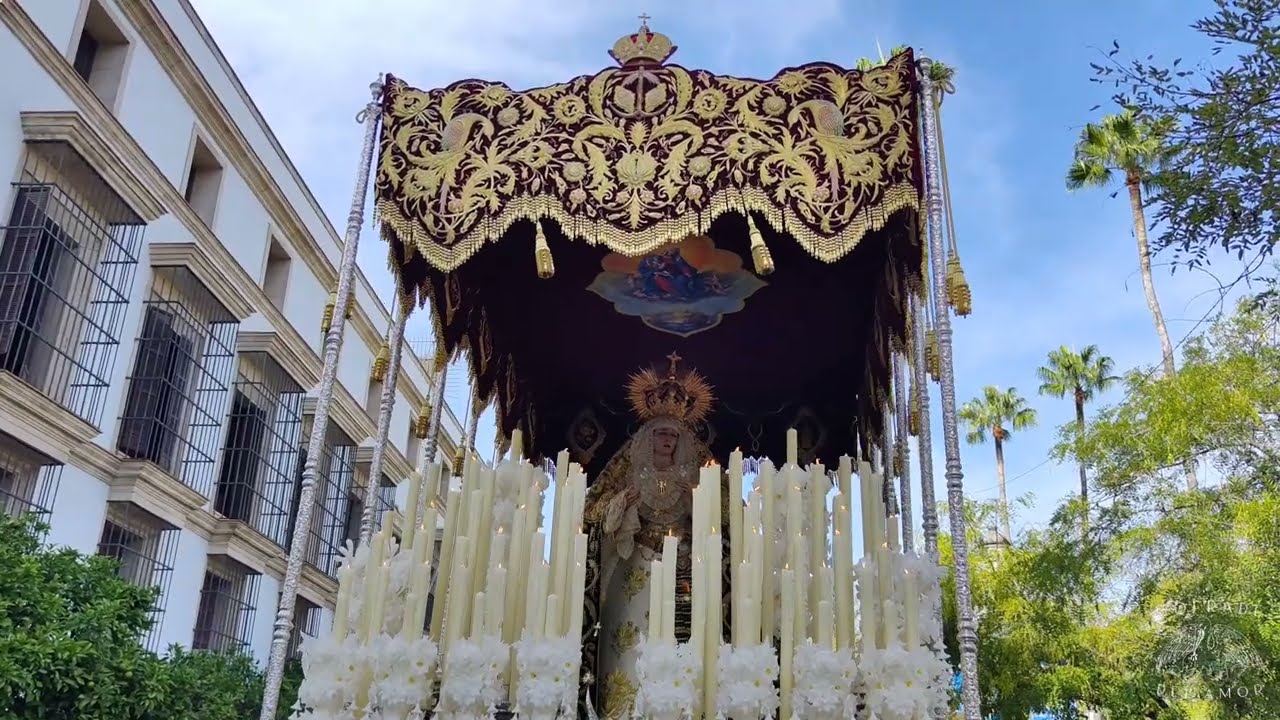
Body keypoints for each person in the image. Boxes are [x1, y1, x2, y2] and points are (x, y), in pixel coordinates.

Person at [581, 354, 719, 719]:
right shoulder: (628, 468)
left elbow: (726, 517)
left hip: (684, 572)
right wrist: (623, 502)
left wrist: (696, 502)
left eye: (673, 436)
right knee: (631, 643)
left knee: (682, 644)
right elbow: (591, 509)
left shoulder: (696, 472)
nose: (666, 441)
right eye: (660, 433)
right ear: (648, 436)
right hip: (637, 566)